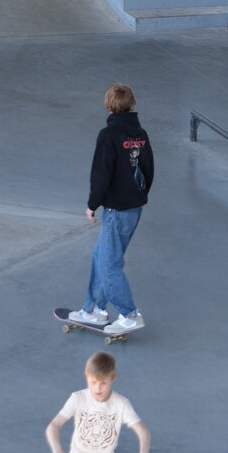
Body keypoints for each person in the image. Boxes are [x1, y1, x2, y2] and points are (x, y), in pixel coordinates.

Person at [69, 83, 154, 336]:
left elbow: (101, 174)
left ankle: (129, 314)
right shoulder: (141, 134)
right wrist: (139, 194)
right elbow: (148, 170)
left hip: (117, 210)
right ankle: (94, 309)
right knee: (100, 256)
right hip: (134, 207)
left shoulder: (108, 135)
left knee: (109, 264)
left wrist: (92, 205)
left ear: (109, 105)